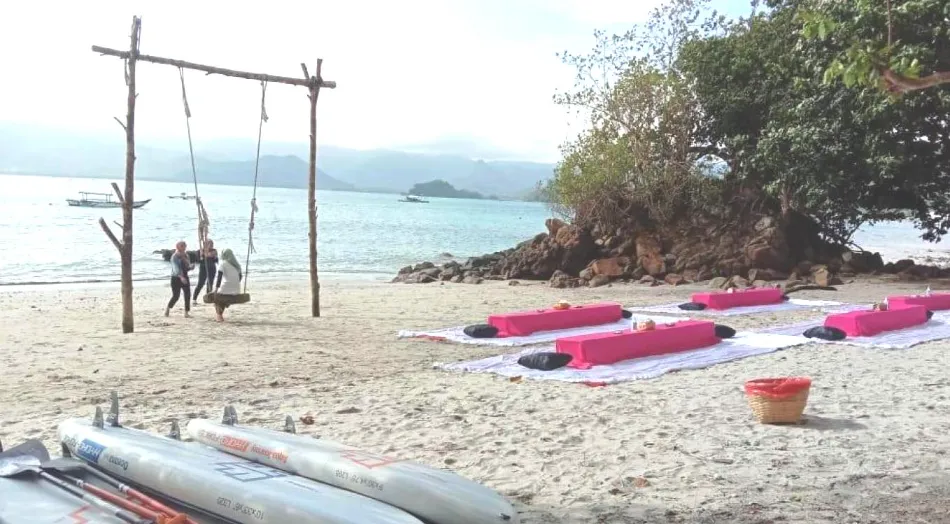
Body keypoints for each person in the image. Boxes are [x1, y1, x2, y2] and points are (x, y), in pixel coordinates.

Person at [212, 248, 243, 322]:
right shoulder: (236, 265)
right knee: (223, 296)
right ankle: (222, 312)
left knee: (216, 296)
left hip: (226, 288)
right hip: (236, 289)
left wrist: (216, 289)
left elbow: (219, 277)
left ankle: (219, 316)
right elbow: (240, 278)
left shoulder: (223, 264)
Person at [165, 240, 193, 317]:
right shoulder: (174, 256)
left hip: (185, 276)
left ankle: (186, 312)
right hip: (176, 278)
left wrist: (190, 267)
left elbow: (187, 267)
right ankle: (168, 308)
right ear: (177, 247)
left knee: (187, 294)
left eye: (185, 245)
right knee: (176, 296)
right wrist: (181, 277)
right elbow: (176, 269)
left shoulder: (186, 255)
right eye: (182, 246)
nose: (184, 247)